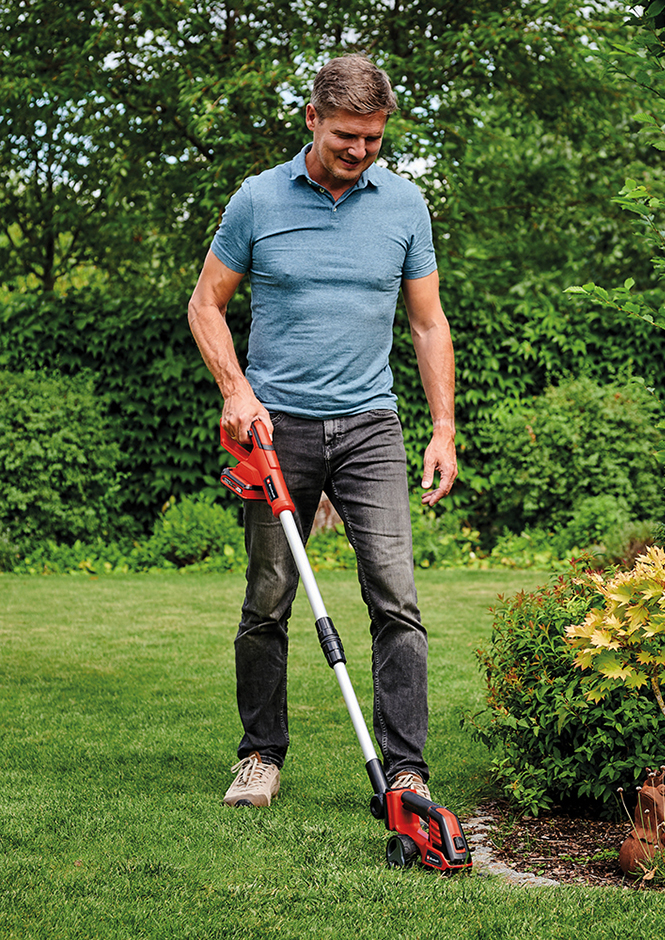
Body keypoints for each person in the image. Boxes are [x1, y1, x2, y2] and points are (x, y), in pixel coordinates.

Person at [187, 53, 457, 808]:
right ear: (312, 119)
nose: (360, 152)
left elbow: (429, 324)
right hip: (277, 431)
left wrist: (443, 428)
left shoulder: (404, 206)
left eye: (373, 139)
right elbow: (205, 304)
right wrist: (237, 391)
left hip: (371, 426)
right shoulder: (257, 200)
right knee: (267, 599)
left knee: (396, 599)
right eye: (346, 137)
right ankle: (260, 756)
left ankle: (407, 771)